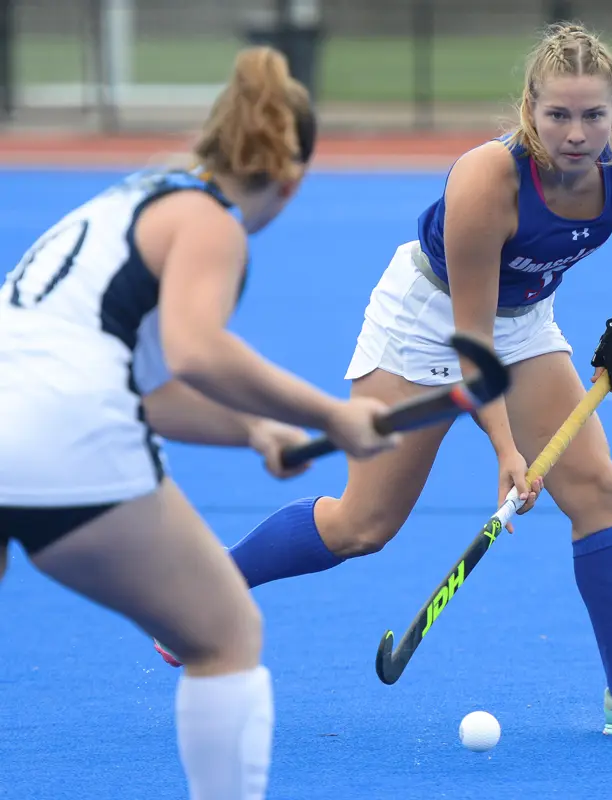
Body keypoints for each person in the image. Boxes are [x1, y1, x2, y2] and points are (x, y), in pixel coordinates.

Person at [165, 23, 612, 736]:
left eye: (594, 115)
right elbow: (471, 347)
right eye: (558, 114)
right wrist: (506, 452)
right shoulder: (485, 180)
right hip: (427, 323)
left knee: (597, 489)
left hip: (522, 320)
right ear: (529, 107)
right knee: (361, 526)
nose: (577, 133)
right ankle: (199, 591)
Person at [0, 46, 400, 800]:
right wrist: (330, 416)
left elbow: (149, 391)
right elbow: (197, 349)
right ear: (291, 177)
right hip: (62, 431)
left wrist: (254, 431)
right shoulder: (210, 224)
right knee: (225, 635)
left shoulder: (135, 196)